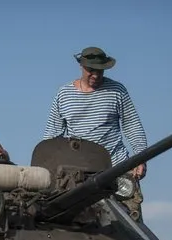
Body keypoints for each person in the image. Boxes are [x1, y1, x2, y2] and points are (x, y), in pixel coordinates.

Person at [42, 46, 149, 221]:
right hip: (78, 174)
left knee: (131, 224)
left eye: (100, 71)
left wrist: (141, 157)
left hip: (117, 167)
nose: (96, 75)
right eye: (91, 70)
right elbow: (52, 136)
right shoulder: (64, 94)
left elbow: (132, 124)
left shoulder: (117, 91)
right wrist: (46, 169)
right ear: (81, 66)